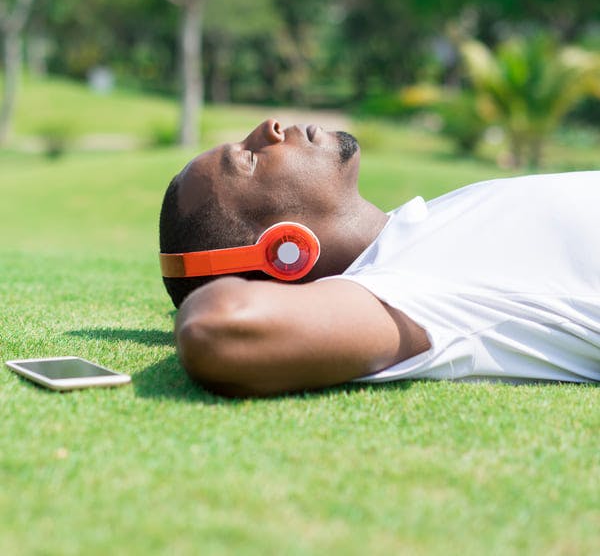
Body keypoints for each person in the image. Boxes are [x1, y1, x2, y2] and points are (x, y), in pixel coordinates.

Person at [159, 118, 600, 397]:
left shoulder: (417, 231)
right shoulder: (406, 289)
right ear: (283, 253)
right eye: (249, 159)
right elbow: (216, 327)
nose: (269, 127)